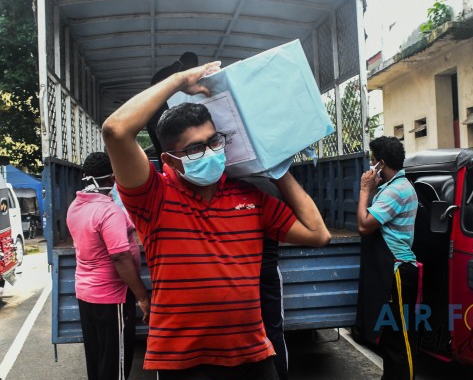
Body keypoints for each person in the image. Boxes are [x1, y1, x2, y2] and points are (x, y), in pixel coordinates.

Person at [102, 61, 331, 379]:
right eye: (195, 149)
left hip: (253, 358)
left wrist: (278, 170)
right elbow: (115, 130)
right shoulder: (153, 197)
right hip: (183, 364)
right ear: (170, 160)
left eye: (214, 141)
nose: (210, 152)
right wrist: (179, 80)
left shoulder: (250, 196)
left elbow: (318, 234)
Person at [66, 152, 150, 380]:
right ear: (113, 178)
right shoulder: (108, 211)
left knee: (97, 357)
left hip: (86, 294)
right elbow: (120, 256)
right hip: (111, 298)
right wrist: (142, 296)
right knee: (115, 364)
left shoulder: (75, 206)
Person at [356, 136, 419, 380]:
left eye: (372, 160)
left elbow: (364, 225)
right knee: (389, 337)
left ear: (380, 163)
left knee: (399, 338)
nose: (370, 166)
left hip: (397, 271)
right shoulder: (389, 188)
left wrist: (364, 190)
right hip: (390, 270)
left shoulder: (396, 191)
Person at [244, 177, 289, 380]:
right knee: (273, 331)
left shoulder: (227, 186)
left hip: (237, 272)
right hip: (268, 271)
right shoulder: (271, 187)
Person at [147, 52, 199, 166]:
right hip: (163, 119)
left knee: (162, 153)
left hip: (152, 118)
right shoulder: (178, 75)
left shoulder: (163, 73)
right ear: (191, 64)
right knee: (171, 152)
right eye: (193, 66)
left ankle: (166, 173)